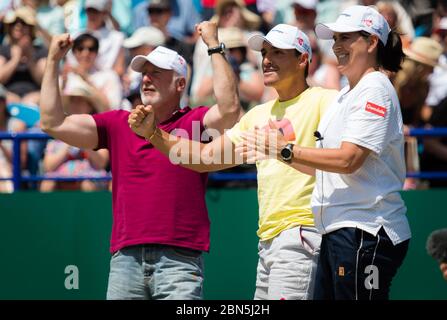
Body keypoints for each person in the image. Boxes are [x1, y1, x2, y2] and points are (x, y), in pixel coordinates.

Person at [129, 24, 338, 300]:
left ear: (302, 60)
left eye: (277, 52)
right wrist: (154, 134)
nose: (266, 59)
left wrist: (285, 150)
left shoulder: (328, 101)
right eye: (264, 52)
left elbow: (344, 163)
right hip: (268, 241)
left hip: (304, 232)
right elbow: (206, 158)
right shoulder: (257, 115)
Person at [39, 21, 240, 300]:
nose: (146, 79)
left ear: (180, 83)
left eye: (156, 73)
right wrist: (52, 61)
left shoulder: (195, 120)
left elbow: (230, 109)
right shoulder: (118, 123)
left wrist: (214, 45)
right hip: (125, 260)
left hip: (179, 259)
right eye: (144, 73)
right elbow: (52, 123)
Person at [238, 5, 412, 300]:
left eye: (346, 38)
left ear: (371, 43)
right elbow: (327, 166)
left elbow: (348, 159)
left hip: (366, 230)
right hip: (341, 231)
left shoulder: (375, 88)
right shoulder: (346, 94)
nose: (337, 46)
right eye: (335, 39)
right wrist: (280, 152)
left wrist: (285, 151)